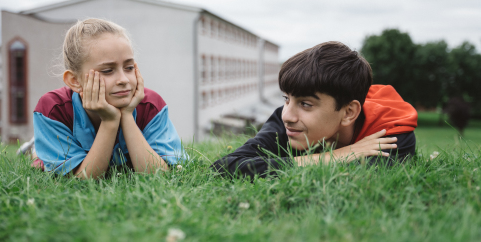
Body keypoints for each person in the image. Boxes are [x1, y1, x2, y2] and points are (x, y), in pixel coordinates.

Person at [212, 41, 417, 178]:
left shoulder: (389, 131)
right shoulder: (287, 120)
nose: (287, 116)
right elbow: (225, 166)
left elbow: (355, 181)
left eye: (305, 104)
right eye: (287, 99)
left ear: (348, 113)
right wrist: (338, 155)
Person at [31, 18, 188, 179]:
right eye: (107, 70)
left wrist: (127, 116)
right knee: (41, 161)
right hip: (57, 140)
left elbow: (161, 175)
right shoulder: (53, 109)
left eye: (129, 68)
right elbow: (81, 180)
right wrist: (110, 121)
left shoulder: (151, 106)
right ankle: (35, 148)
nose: (124, 80)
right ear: (75, 81)